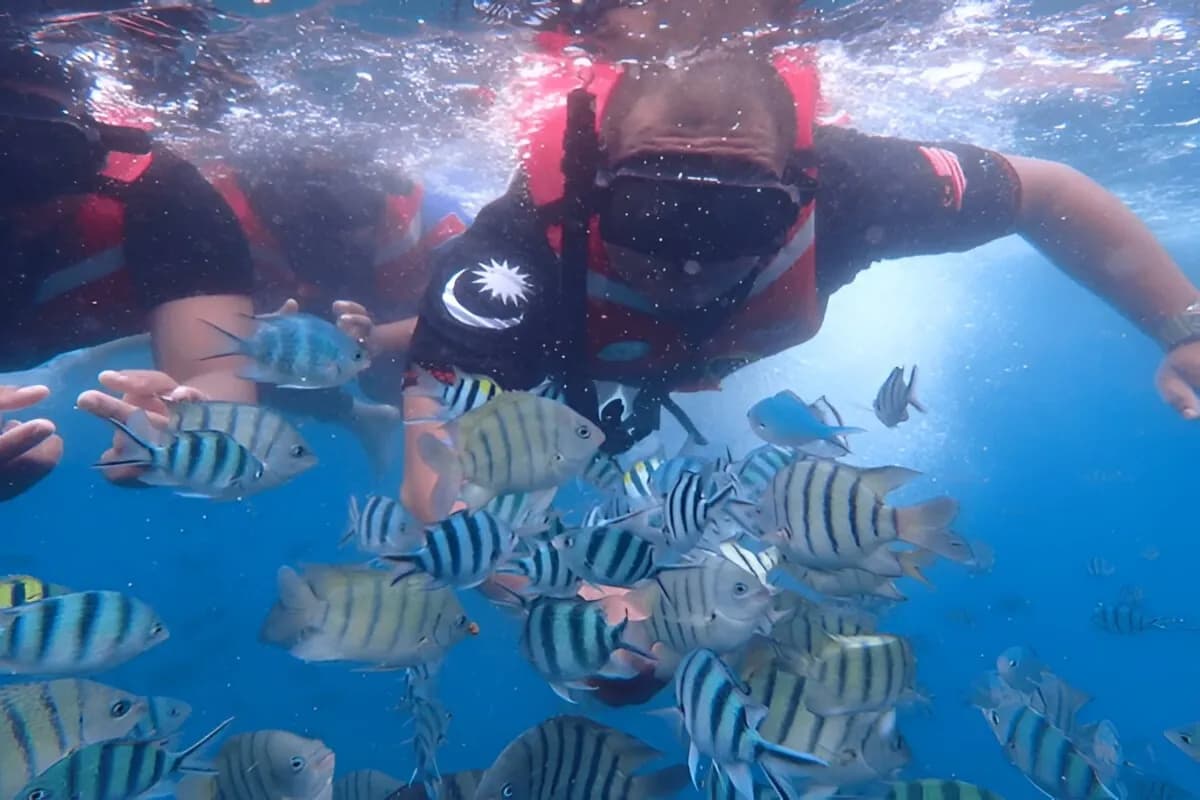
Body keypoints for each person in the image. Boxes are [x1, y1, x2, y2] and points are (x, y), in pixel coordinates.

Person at [399, 11, 1200, 521]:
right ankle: (385, 337)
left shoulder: (856, 187)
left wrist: (1183, 326)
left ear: (800, 191)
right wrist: (522, 583)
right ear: (595, 186)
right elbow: (432, 478)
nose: (687, 258)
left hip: (603, 342)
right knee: (409, 367)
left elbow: (1049, 192)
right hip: (546, 339)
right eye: (656, 212)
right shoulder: (511, 250)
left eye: (738, 218)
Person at [0, 41, 256, 499]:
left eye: (39, 157)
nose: (8, 191)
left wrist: (192, 432)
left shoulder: (162, 198)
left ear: (93, 155)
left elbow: (216, 373)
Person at [201, 153, 469, 468]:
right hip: (283, 301)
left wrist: (381, 338)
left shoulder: (430, 209)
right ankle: (358, 416)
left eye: (352, 219)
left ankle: (457, 447)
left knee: (390, 378)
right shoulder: (219, 208)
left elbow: (477, 312)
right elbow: (191, 313)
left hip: (396, 307)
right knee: (258, 355)